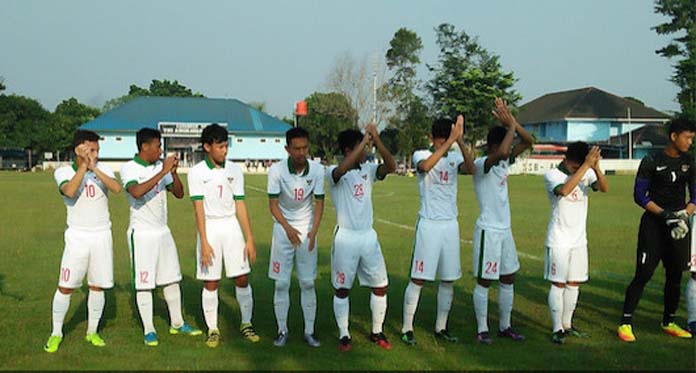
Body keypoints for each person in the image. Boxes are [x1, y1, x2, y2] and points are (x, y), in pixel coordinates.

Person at [120, 128, 201, 346]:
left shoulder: (160, 167)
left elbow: (179, 193)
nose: (160, 150)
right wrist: (161, 172)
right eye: (157, 145)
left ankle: (177, 323)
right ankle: (149, 330)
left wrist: (172, 173)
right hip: (142, 234)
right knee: (144, 283)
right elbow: (135, 192)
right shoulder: (129, 168)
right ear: (145, 146)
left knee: (171, 278)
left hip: (162, 231)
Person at [44, 130, 122, 353]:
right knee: (66, 286)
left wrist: (94, 167)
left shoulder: (103, 169)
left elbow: (116, 189)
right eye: (90, 150)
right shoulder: (63, 171)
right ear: (78, 149)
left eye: (97, 150)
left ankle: (92, 331)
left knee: (97, 286)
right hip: (77, 236)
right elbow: (69, 191)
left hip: (101, 235)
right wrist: (83, 168)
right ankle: (56, 333)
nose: (94, 154)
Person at [619, 117, 696, 342]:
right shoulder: (651, 160)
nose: (690, 142)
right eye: (688, 137)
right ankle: (625, 322)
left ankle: (669, 321)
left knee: (674, 275)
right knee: (643, 274)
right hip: (653, 225)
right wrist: (665, 215)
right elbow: (639, 196)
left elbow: (695, 195)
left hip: (679, 227)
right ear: (674, 136)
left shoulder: (690, 162)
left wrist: (684, 215)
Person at [401, 115, 475, 345]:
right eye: (440, 139)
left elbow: (471, 169)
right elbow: (424, 167)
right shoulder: (421, 154)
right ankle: (407, 328)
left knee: (448, 279)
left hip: (450, 225)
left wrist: (460, 142)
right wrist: (448, 142)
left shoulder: (454, 156)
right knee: (419, 278)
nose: (443, 143)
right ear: (431, 138)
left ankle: (441, 327)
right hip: (429, 224)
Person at [187, 123, 259, 348]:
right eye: (220, 146)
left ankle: (246, 324)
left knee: (242, 277)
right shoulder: (196, 172)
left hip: (231, 228)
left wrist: (249, 238)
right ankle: (213, 329)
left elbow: (240, 205)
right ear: (207, 147)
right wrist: (205, 242)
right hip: (210, 227)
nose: (225, 151)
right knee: (211, 281)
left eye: (226, 146)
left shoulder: (235, 170)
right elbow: (198, 208)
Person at [328, 124, 396, 352]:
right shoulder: (334, 171)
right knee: (342, 289)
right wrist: (365, 141)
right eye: (360, 146)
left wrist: (376, 141)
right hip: (346, 238)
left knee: (381, 286)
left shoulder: (368, 169)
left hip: (368, 236)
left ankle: (377, 331)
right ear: (348, 150)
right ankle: (344, 334)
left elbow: (391, 166)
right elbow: (343, 169)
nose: (365, 150)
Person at [471, 98, 534, 344]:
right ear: (493, 146)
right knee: (485, 280)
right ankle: (482, 329)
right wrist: (510, 127)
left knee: (508, 277)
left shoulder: (503, 161)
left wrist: (514, 124)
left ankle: (505, 326)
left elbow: (528, 142)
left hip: (505, 230)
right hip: (488, 230)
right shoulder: (482, 164)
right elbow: (505, 150)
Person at [544, 142, 608, 344]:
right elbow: (564, 191)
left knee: (574, 284)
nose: (577, 170)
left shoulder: (586, 173)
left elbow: (604, 188)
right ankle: (557, 329)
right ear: (567, 160)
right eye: (575, 167)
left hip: (579, 239)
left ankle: (567, 325)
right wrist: (584, 167)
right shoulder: (552, 175)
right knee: (559, 284)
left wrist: (595, 167)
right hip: (559, 239)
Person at [267, 127, 325, 347]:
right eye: (296, 148)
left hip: (308, 228)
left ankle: (309, 332)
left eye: (305, 148)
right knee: (281, 284)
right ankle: (282, 331)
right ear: (287, 149)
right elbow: (273, 206)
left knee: (308, 282)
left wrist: (314, 230)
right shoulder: (276, 171)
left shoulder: (317, 170)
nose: (301, 152)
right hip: (283, 229)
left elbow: (319, 203)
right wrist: (288, 229)